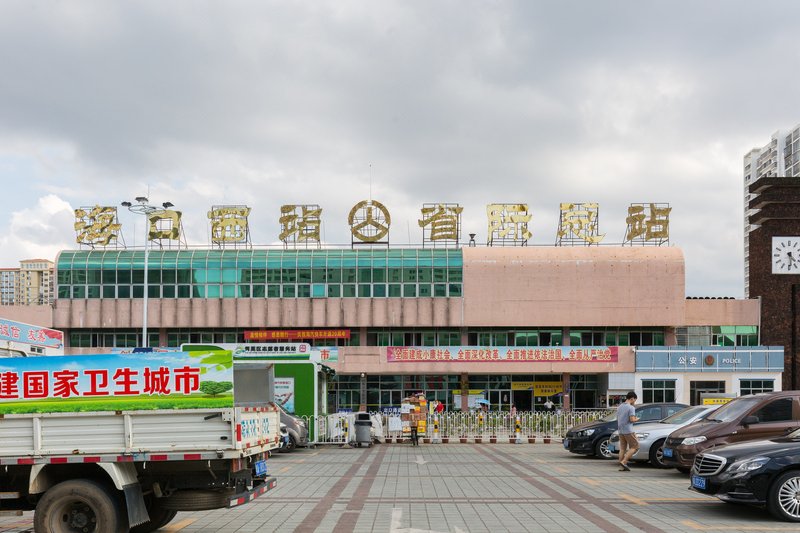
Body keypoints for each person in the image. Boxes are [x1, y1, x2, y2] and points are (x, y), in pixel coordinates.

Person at [617, 391, 640, 472]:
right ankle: (624, 461)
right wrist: (637, 419)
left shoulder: (620, 407)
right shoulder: (631, 408)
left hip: (620, 430)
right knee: (635, 446)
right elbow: (632, 419)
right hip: (628, 430)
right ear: (632, 398)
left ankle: (621, 466)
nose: (634, 402)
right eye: (635, 400)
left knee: (622, 448)